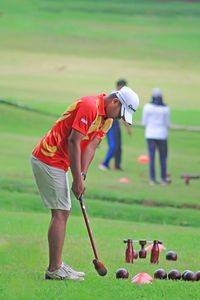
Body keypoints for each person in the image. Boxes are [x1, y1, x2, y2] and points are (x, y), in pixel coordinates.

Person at [31, 86, 139, 280]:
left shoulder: (106, 119)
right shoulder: (90, 106)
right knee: (61, 212)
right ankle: (54, 269)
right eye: (121, 113)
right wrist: (77, 179)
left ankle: (57, 265)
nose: (119, 118)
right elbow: (74, 141)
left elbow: (91, 146)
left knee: (63, 210)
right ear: (115, 102)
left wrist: (82, 175)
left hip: (60, 162)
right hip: (48, 157)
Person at [99, 79, 132, 171]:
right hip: (111, 122)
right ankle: (104, 163)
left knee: (118, 146)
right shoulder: (117, 96)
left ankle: (117, 165)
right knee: (114, 146)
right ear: (118, 86)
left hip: (115, 123)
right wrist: (127, 127)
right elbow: (121, 113)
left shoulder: (117, 94)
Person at [142, 88, 170, 185]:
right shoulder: (165, 108)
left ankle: (152, 179)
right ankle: (163, 178)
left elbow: (144, 122)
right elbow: (167, 123)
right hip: (162, 135)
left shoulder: (147, 107)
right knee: (163, 157)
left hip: (150, 134)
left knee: (152, 157)